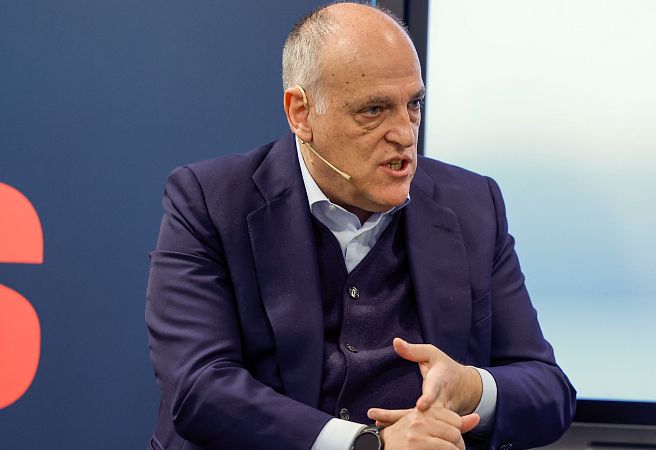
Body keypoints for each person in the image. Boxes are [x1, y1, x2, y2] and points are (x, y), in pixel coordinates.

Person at [145, 2, 576, 449]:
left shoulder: (471, 205)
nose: (405, 134)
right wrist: (368, 444)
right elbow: (199, 388)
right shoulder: (212, 202)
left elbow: (549, 391)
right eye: (374, 110)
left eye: (414, 104)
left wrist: (470, 387)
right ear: (300, 113)